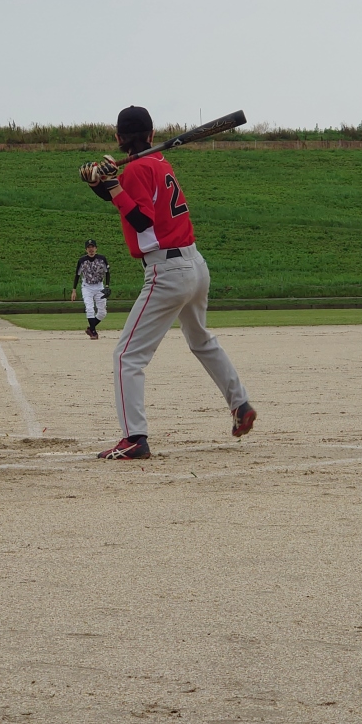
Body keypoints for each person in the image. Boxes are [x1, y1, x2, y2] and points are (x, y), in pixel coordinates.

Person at [78, 105, 256, 460]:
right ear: (151, 134)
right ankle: (240, 404)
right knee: (201, 340)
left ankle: (134, 438)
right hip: (194, 264)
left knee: (127, 356)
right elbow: (128, 203)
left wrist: (112, 183)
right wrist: (100, 185)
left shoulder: (138, 168)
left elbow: (141, 220)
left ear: (118, 137)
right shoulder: (158, 162)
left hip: (167, 271)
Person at [70, 238, 111, 339]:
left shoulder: (102, 259)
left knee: (102, 312)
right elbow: (77, 275)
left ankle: (91, 328)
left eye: (92, 247)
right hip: (87, 286)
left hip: (99, 286)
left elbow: (107, 273)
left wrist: (107, 286)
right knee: (89, 308)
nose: (91, 249)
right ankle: (93, 332)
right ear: (86, 249)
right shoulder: (82, 261)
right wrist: (74, 290)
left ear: (96, 248)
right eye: (89, 248)